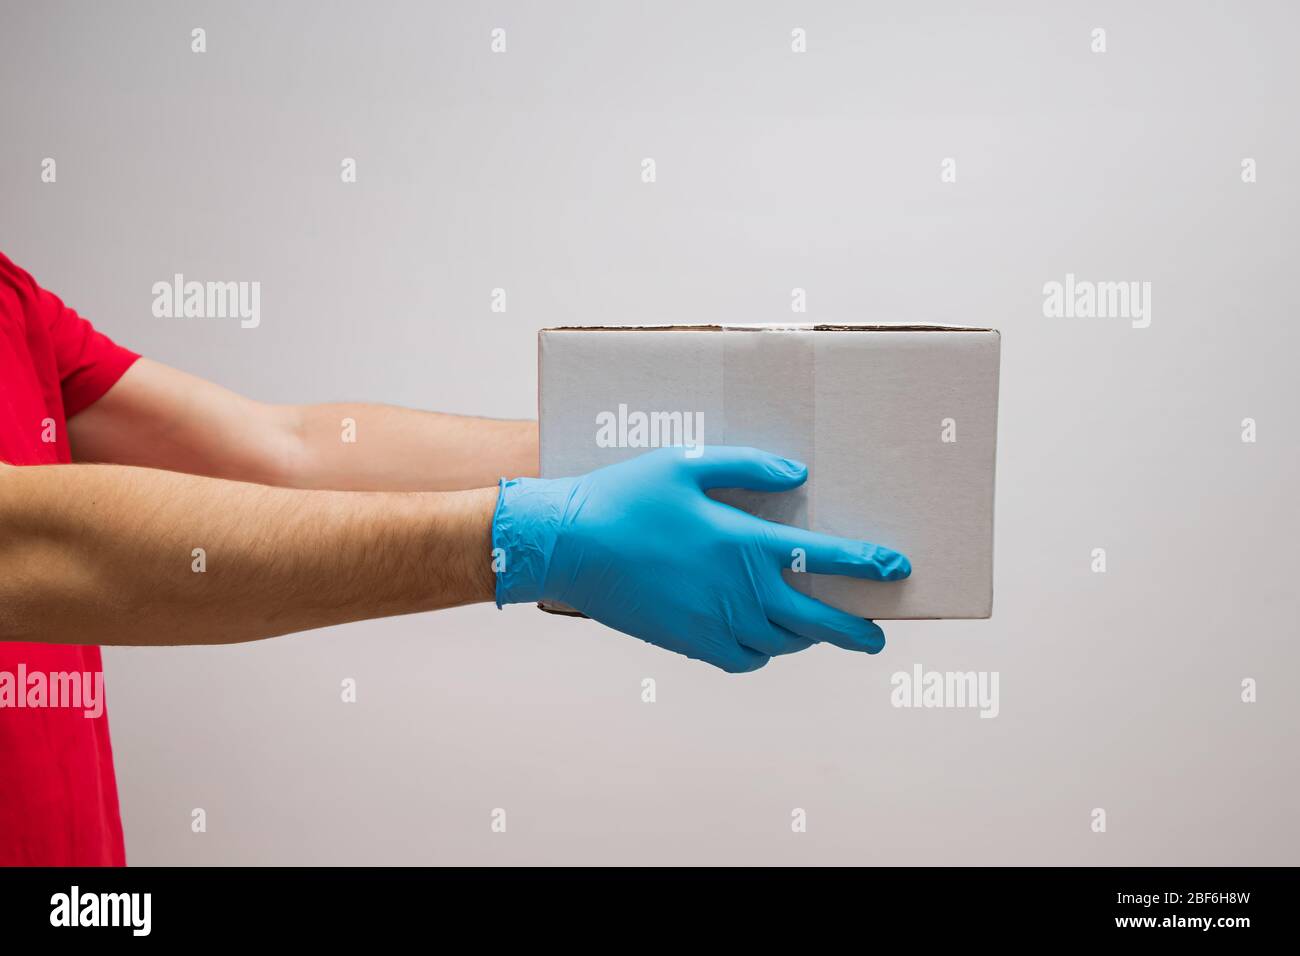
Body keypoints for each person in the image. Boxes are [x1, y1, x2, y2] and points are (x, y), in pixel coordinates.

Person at [0, 250, 910, 865]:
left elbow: (279, 452)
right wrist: (532, 538)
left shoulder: (12, 297)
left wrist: (688, 465)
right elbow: (23, 544)